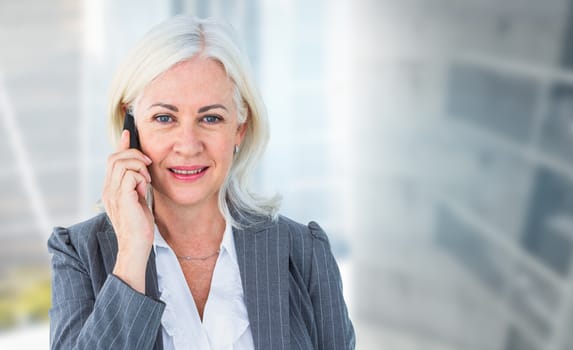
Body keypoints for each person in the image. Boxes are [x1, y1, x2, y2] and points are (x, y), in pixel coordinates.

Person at [47, 15, 355, 350]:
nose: (189, 145)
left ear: (239, 127)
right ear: (130, 126)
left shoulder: (304, 251)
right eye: (165, 118)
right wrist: (132, 255)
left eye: (210, 118)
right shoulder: (78, 252)